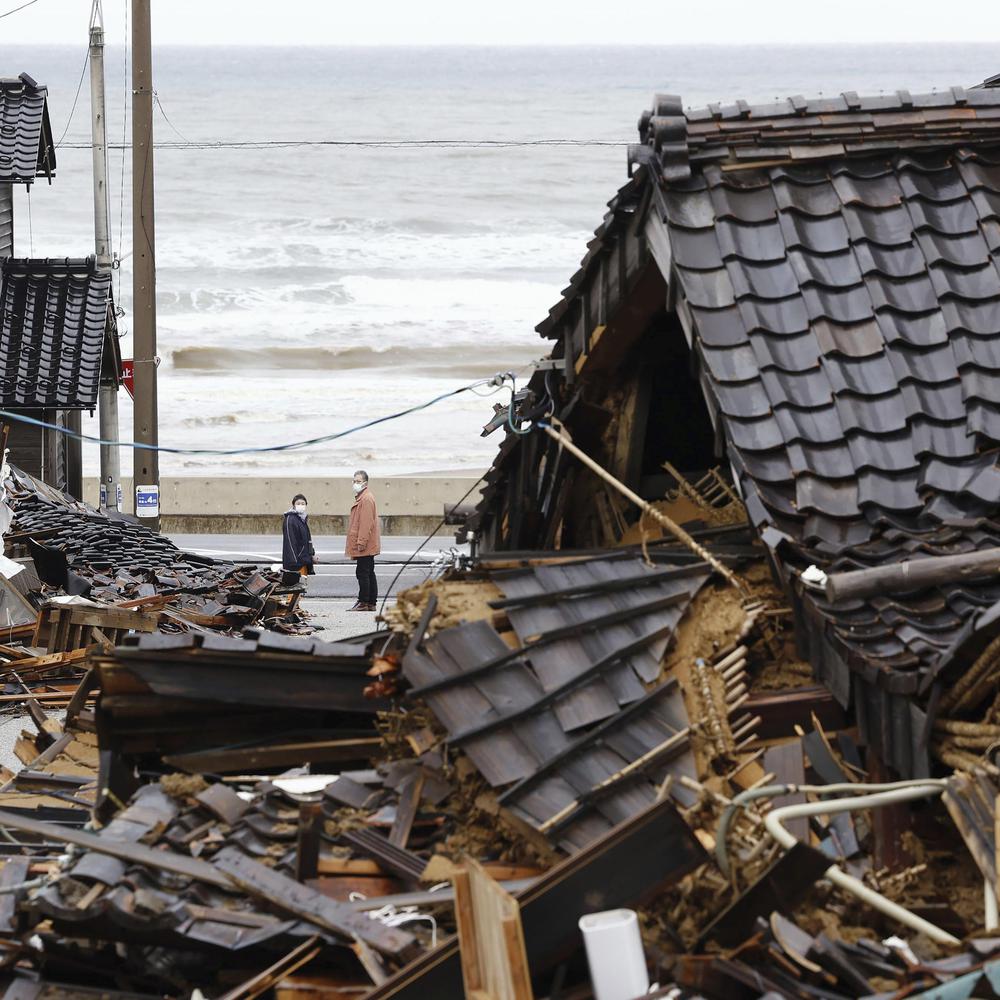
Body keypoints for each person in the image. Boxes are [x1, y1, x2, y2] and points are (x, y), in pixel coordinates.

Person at [346, 470, 380, 610]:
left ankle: (363, 602)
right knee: (369, 571)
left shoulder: (365, 499)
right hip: (367, 543)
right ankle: (371, 602)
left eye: (358, 481)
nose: (355, 484)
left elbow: (366, 524)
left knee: (362, 572)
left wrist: (361, 542)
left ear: (365, 483)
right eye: (354, 481)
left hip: (364, 543)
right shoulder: (365, 497)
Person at [282, 493, 315, 577]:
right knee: (295, 587)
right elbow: (290, 542)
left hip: (303, 560)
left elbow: (307, 540)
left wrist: (311, 555)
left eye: (303, 503)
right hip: (296, 563)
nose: (301, 505)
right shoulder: (290, 519)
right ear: (293, 505)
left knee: (302, 586)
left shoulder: (301, 519)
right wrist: (293, 562)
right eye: (298, 503)